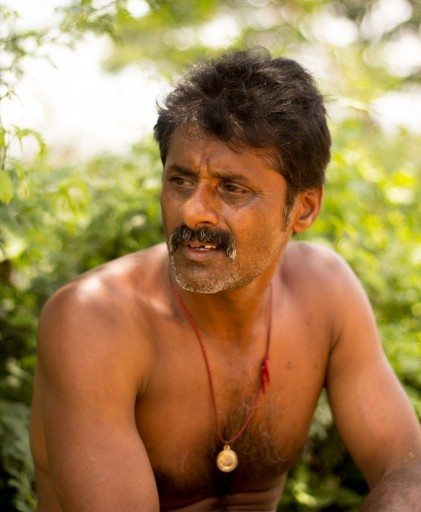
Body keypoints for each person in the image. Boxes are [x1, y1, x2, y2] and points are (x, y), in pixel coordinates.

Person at [30, 49, 421, 512]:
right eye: (180, 180)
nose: (193, 211)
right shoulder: (96, 320)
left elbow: (408, 466)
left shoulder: (325, 291)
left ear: (303, 209)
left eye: (232, 188)